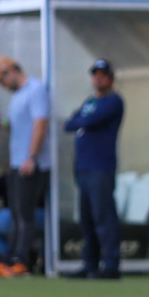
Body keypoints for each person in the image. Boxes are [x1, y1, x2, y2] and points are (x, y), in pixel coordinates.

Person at [0, 56, 50, 278]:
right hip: (18, 162)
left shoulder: (36, 89)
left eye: (2, 80)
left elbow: (40, 123)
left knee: (24, 215)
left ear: (10, 71)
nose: (2, 85)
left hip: (31, 163)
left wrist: (32, 156)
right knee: (17, 214)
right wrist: (1, 124)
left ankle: (20, 262)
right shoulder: (18, 96)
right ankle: (10, 259)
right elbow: (20, 125)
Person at [63, 59, 124, 280]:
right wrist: (83, 119)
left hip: (101, 167)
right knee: (87, 219)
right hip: (83, 168)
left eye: (102, 74)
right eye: (95, 74)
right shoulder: (90, 101)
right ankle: (89, 264)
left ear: (110, 78)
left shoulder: (114, 101)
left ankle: (111, 265)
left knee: (104, 217)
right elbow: (70, 123)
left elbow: (90, 120)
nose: (98, 78)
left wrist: (83, 120)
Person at [0, 173, 46, 278]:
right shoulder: (45, 176)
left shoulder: (9, 176)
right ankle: (40, 261)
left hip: (21, 218)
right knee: (49, 227)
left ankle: (11, 260)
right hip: (46, 218)